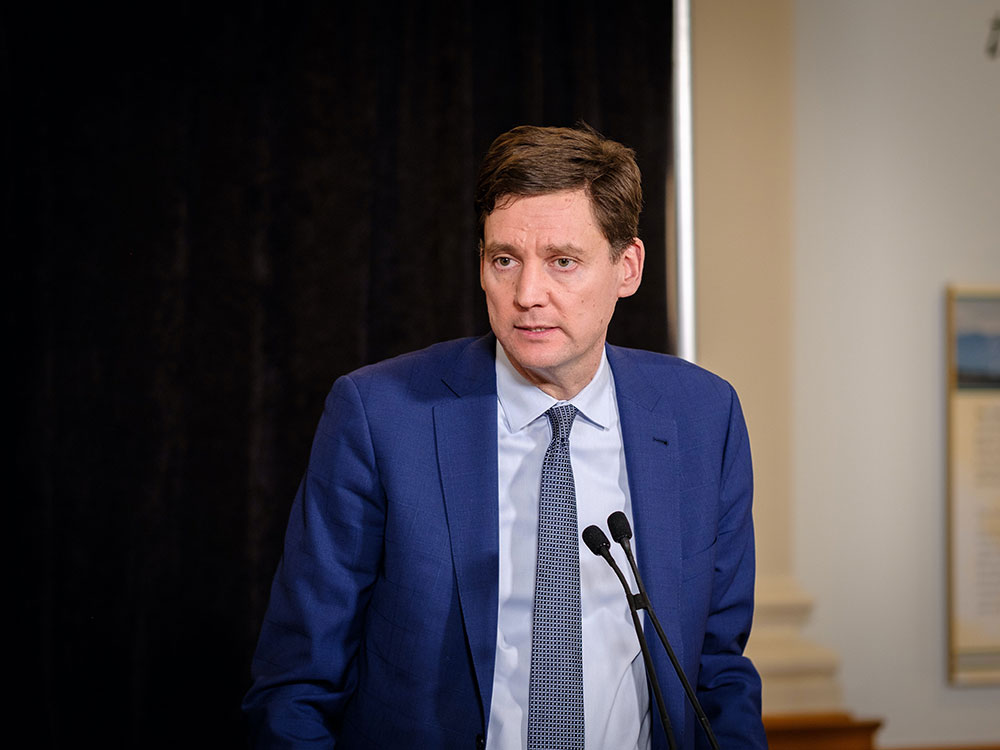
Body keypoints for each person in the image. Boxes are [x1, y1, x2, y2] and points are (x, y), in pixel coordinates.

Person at [243, 124, 766, 749]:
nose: (527, 295)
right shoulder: (381, 416)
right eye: (504, 260)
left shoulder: (702, 416)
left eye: (563, 262)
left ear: (627, 268)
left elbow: (717, 669)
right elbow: (296, 684)